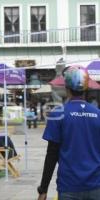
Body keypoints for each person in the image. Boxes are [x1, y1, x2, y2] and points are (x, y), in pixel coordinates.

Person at [37, 65, 100, 200]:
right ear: (86, 88)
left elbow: (51, 155)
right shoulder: (98, 114)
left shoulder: (57, 114)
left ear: (67, 88)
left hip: (69, 186)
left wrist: (43, 189)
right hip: (96, 185)